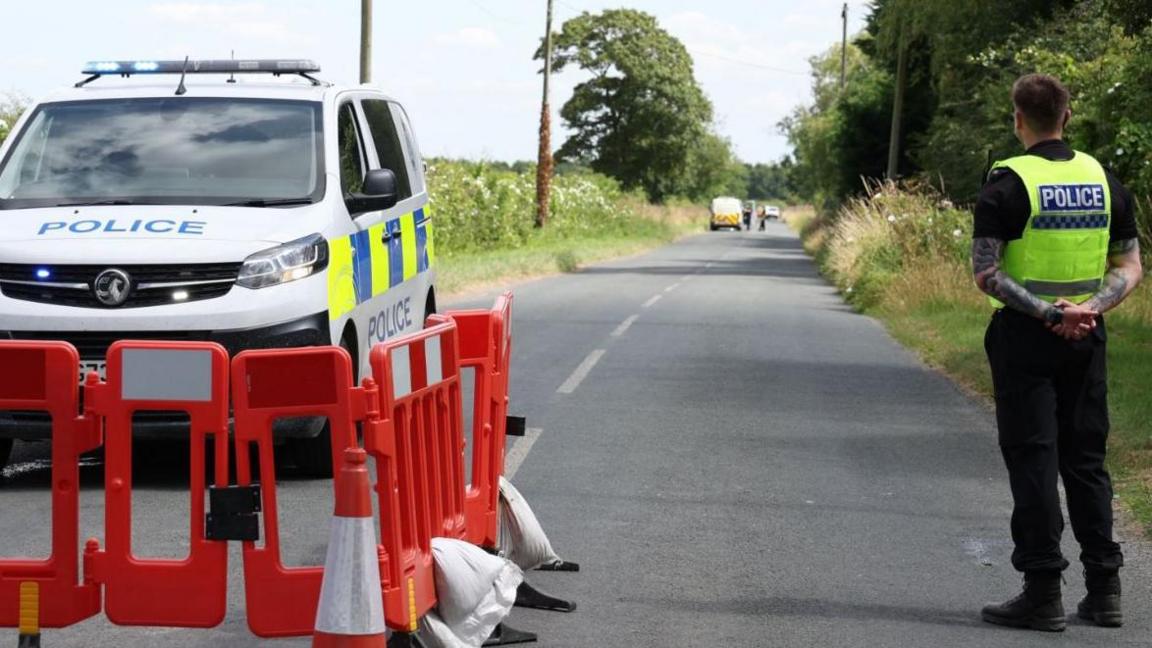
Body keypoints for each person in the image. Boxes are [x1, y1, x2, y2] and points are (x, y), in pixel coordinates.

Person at [972, 73, 1142, 632]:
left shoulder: (1005, 186)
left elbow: (987, 275)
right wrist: (1088, 309)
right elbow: (1130, 267)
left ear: (1017, 119)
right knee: (1087, 461)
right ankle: (1104, 591)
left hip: (1027, 338)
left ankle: (1043, 591)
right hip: (1087, 337)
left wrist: (1049, 314)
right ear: (1067, 117)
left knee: (1035, 460)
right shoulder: (1105, 180)